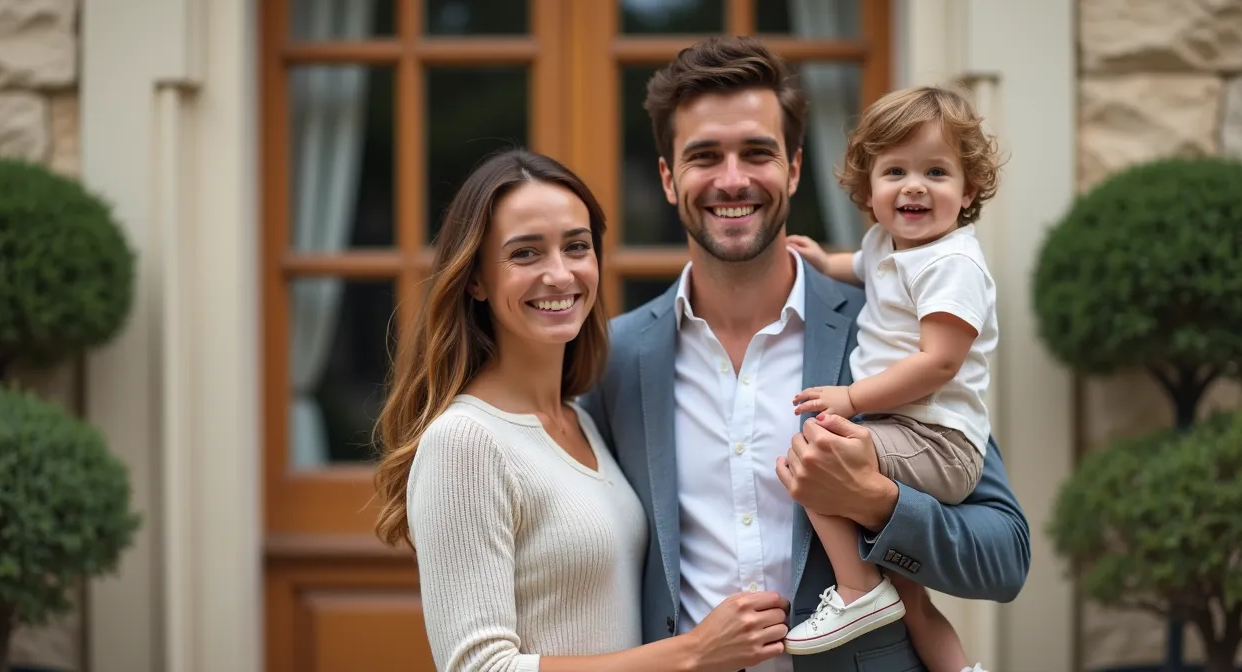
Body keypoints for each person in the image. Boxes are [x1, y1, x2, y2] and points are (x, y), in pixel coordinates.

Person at [577, 37, 1029, 672]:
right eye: (704, 156)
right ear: (668, 178)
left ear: (792, 169)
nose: (732, 179)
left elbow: (1004, 557)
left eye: (756, 153)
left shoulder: (885, 333)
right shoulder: (615, 357)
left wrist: (876, 500)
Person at [373, 147, 792, 672]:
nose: (560, 275)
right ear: (476, 278)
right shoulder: (465, 440)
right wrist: (693, 653)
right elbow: (479, 667)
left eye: (576, 247)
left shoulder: (583, 421)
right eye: (525, 253)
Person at [785, 85, 1001, 671]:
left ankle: (857, 591)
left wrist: (851, 397)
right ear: (869, 188)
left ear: (969, 189)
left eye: (936, 171)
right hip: (905, 433)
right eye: (894, 170)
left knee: (814, 451)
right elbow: (860, 267)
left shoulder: (952, 264)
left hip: (939, 442)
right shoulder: (888, 242)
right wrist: (823, 262)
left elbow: (940, 363)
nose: (913, 186)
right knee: (911, 598)